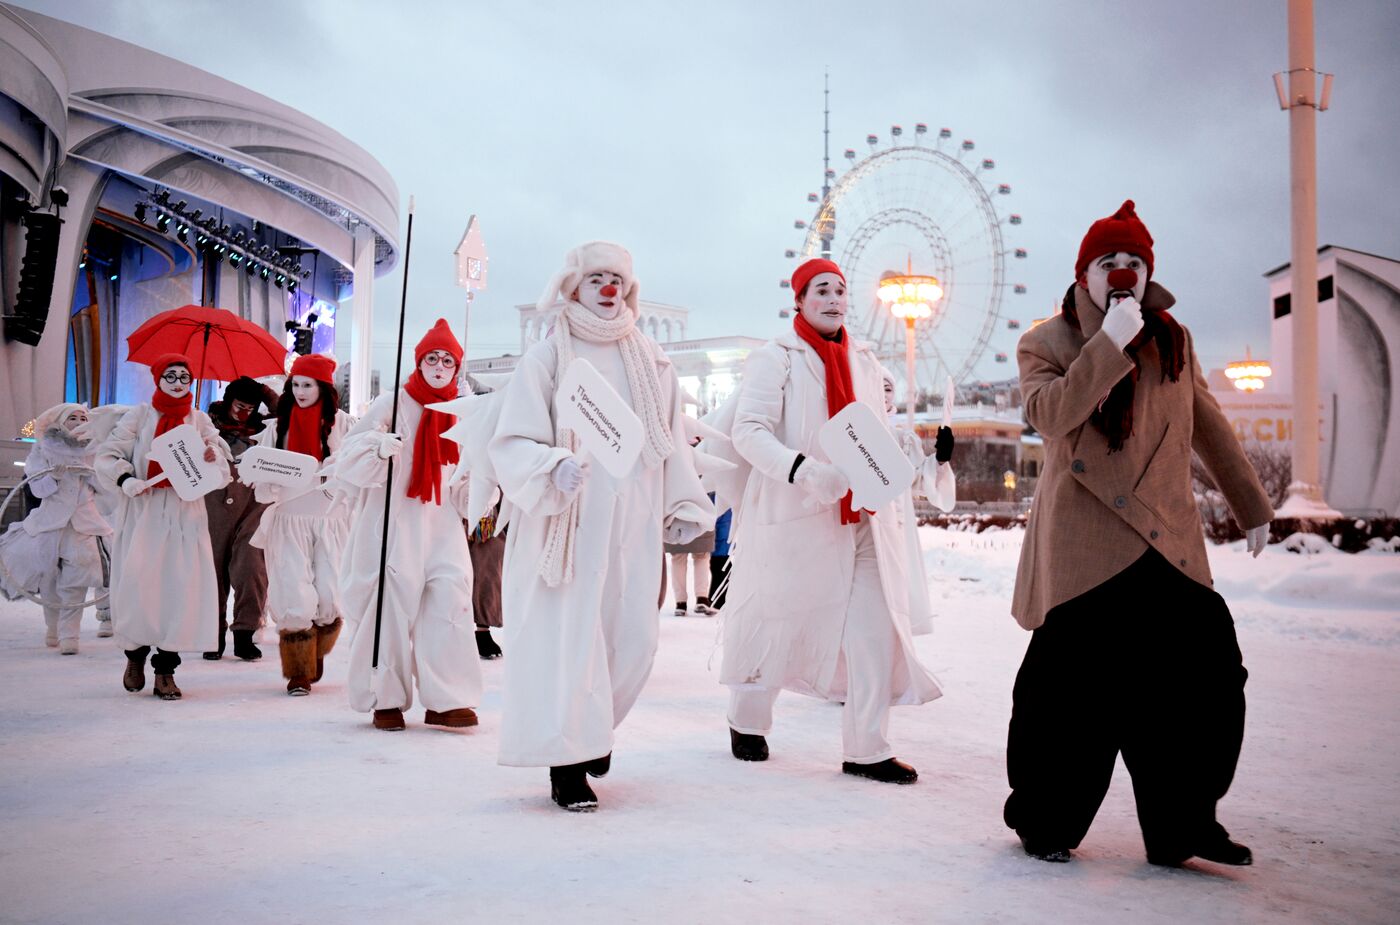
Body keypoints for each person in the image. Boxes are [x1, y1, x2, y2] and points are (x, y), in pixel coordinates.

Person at [1004, 200, 1273, 867]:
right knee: (1070, 695)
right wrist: (1107, 345)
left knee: (1204, 678)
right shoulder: (1046, 341)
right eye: (1108, 262)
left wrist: (1251, 502)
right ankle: (1044, 818)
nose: (1122, 271)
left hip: (1165, 537)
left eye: (1134, 262)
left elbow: (1207, 422)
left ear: (1148, 272)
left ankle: (1185, 821)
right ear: (1085, 274)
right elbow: (1051, 415)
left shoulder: (1173, 338)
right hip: (1085, 545)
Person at [489, 241, 713, 811]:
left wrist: (682, 503)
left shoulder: (653, 360)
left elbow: (670, 442)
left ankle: (596, 725)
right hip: (566, 520)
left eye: (617, 277)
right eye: (596, 278)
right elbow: (512, 439)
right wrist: (551, 466)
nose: (608, 287)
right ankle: (567, 759)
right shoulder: (548, 357)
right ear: (574, 287)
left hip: (632, 518)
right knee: (570, 640)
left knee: (632, 637)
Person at [718, 258, 948, 784]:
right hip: (795, 511)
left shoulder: (866, 361)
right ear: (798, 300)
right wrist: (802, 471)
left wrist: (918, 457)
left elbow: (874, 435)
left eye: (841, 290)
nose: (833, 298)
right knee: (779, 620)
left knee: (874, 628)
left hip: (862, 515)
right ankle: (747, 717)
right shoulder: (774, 359)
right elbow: (748, 432)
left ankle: (867, 748)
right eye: (820, 289)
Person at [336, 320, 482, 732]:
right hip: (395, 522)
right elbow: (349, 457)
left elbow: (466, 476)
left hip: (443, 526)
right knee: (390, 607)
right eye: (431, 358)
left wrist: (479, 482)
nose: (439, 366)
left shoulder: (461, 411)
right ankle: (386, 697)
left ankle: (446, 698)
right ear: (419, 362)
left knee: (449, 604)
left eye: (447, 360)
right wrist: (377, 448)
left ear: (457, 367)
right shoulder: (393, 403)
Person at [95, 354, 231, 700]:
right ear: (158, 379)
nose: (178, 382)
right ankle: (135, 656)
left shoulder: (199, 420)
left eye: (184, 377)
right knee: (141, 585)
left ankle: (166, 670)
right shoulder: (139, 416)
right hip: (144, 512)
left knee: (178, 589)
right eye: (170, 376)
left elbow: (219, 461)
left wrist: (212, 454)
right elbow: (109, 455)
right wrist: (127, 479)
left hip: (185, 516)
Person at [248, 354, 352, 695]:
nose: (302, 391)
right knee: (293, 589)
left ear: (323, 387)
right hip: (288, 518)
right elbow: (259, 477)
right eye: (296, 384)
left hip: (330, 520)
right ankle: (298, 670)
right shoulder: (277, 427)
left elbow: (358, 468)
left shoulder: (344, 425)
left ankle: (317, 648)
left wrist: (337, 473)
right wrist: (266, 481)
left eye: (308, 384)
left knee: (329, 592)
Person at [0, 404, 111, 654]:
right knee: (49, 580)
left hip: (85, 524)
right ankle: (53, 629)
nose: (79, 421)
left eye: (83, 417)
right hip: (50, 524)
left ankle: (70, 635)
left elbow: (108, 488)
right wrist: (54, 478)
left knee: (77, 579)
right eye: (72, 417)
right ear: (60, 422)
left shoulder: (95, 450)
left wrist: (92, 475)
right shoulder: (43, 450)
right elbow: (37, 489)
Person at [203, 376, 275, 661]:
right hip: (214, 495)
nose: (243, 412)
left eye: (250, 406)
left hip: (253, 497)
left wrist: (266, 394)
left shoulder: (263, 426)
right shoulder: (208, 421)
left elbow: (285, 415)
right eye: (239, 405)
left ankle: (244, 633)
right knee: (213, 567)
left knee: (251, 567)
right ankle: (213, 633)